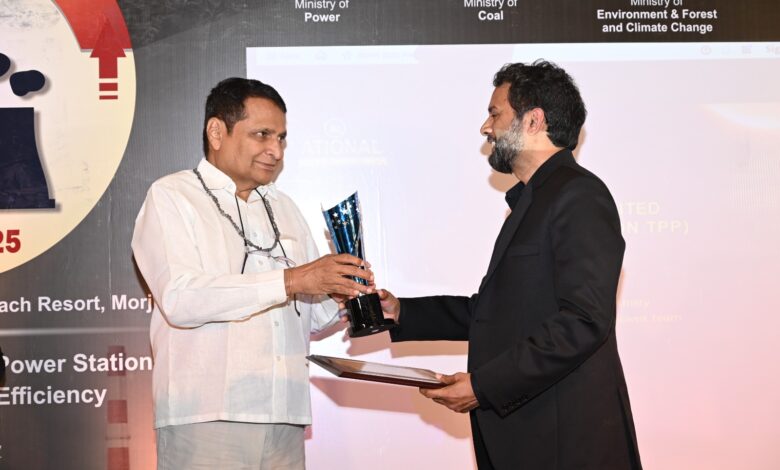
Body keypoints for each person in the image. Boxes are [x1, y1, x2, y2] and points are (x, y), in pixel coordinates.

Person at [379, 60, 642, 469]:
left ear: (533, 120)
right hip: (532, 441)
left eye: (495, 113)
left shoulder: (580, 195)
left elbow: (584, 321)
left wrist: (483, 386)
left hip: (567, 446)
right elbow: (494, 313)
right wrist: (401, 312)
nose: (485, 128)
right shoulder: (533, 200)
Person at [132, 77, 373, 469]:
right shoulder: (173, 196)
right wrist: (293, 280)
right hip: (208, 416)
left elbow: (311, 315)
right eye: (262, 135)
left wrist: (346, 297)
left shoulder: (285, 207)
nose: (275, 151)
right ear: (216, 132)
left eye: (281, 138)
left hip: (285, 414)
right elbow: (180, 298)